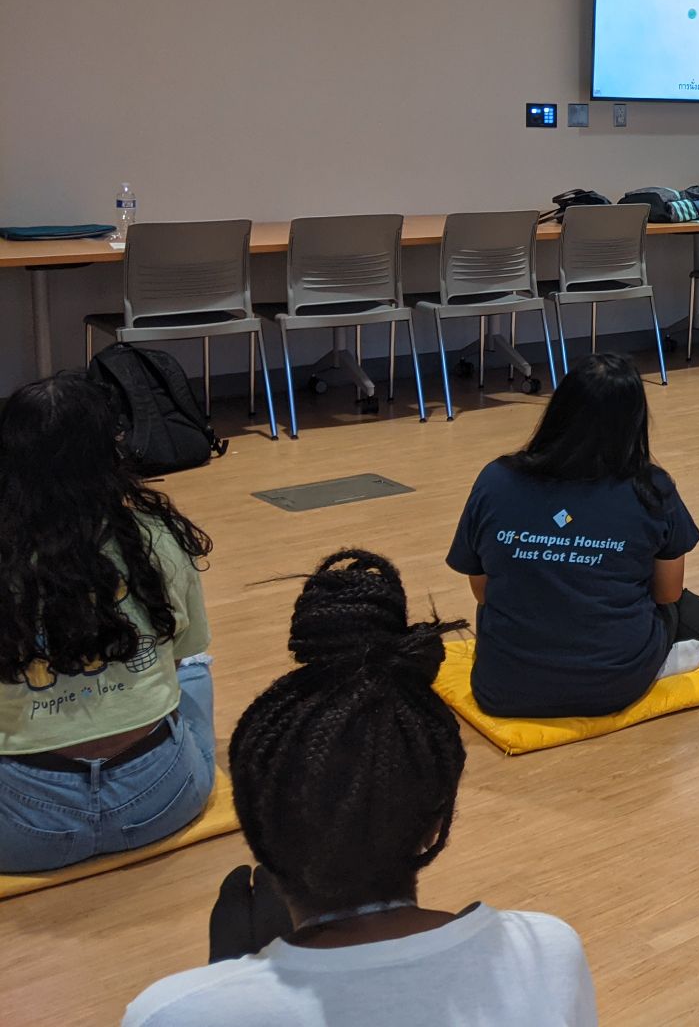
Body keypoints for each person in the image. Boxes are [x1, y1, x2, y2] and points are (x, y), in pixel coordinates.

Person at [122, 550, 598, 1026]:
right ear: (436, 821)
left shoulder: (170, 1012)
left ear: (249, 818)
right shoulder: (546, 952)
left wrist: (227, 992)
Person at [450, 354, 699, 715]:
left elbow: (482, 590)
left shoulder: (496, 479)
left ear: (558, 410)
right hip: (613, 685)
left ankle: (657, 659)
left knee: (517, 595)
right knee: (678, 603)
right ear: (634, 422)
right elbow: (667, 594)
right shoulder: (650, 488)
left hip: (504, 689)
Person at [0, 372, 216, 874]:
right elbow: (184, 654)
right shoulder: (155, 536)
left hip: (20, 830)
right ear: (111, 454)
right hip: (163, 799)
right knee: (195, 666)